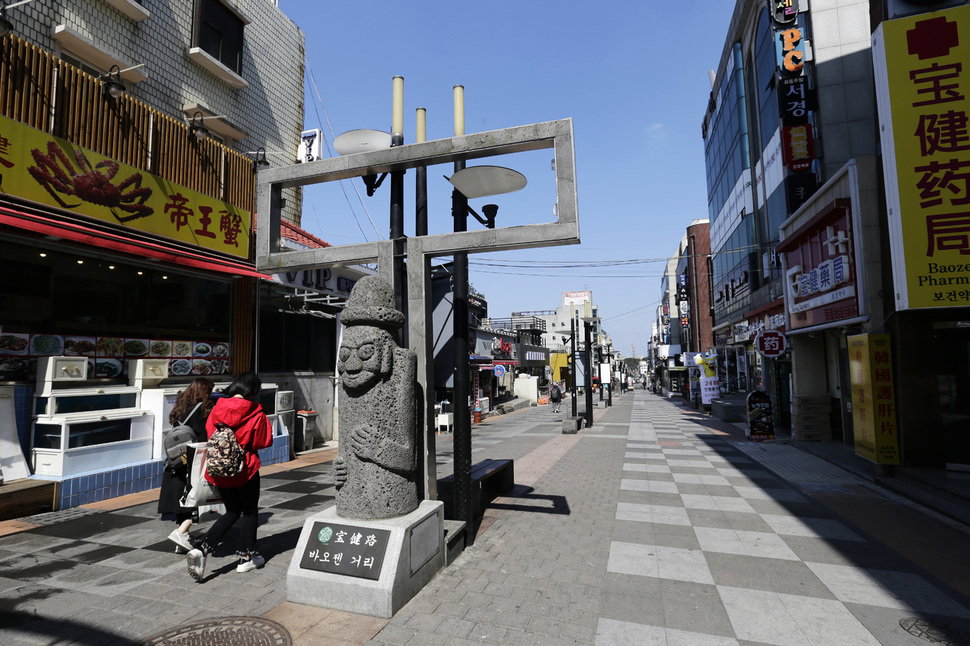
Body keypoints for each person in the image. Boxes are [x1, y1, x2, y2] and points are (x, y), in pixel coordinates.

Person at [186, 372, 273, 582]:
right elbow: (264, 441)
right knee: (250, 512)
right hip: (246, 470)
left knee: (232, 510)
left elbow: (209, 434)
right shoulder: (255, 412)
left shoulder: (217, 409)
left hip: (219, 470)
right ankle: (245, 558)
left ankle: (203, 547)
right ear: (253, 391)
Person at [157, 378, 213, 553]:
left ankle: (182, 542)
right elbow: (204, 438)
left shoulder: (179, 408)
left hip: (176, 462)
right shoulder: (203, 410)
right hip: (192, 463)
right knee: (200, 500)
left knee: (184, 503)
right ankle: (180, 533)